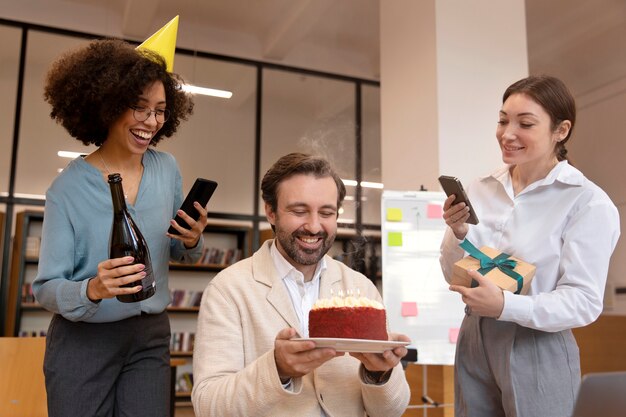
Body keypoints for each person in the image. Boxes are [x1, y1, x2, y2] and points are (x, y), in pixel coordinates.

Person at [32, 36, 206, 416]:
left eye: (160, 110)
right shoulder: (66, 189)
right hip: (84, 340)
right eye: (139, 107)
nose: (152, 121)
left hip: (150, 336)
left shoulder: (167, 169)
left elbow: (177, 251)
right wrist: (94, 288)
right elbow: (45, 288)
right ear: (107, 106)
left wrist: (191, 239)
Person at [439, 75, 620, 417]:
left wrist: (506, 306)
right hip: (474, 334)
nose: (507, 134)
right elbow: (452, 272)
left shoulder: (587, 202)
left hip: (537, 340)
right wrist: (458, 233)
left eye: (525, 123)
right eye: (503, 120)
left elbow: (583, 302)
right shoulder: (481, 187)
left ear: (561, 131)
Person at [192, 152, 411, 417]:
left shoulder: (361, 288)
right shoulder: (229, 289)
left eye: (327, 213)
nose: (314, 226)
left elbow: (392, 411)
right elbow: (208, 406)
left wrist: (380, 373)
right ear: (271, 212)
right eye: (299, 211)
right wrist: (277, 369)